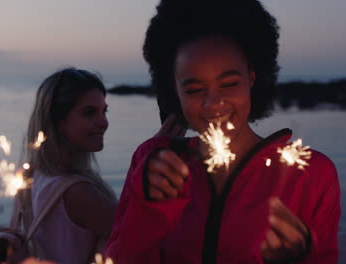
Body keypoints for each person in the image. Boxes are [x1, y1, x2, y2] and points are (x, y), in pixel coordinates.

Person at [105, 0, 340, 263]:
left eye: (229, 84)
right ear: (174, 90)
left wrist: (299, 259)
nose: (213, 103)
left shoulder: (312, 175)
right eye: (194, 89)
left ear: (252, 77)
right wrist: (148, 206)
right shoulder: (152, 163)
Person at [17, 67, 117, 264]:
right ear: (57, 122)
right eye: (89, 113)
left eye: (104, 111)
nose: (103, 122)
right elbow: (143, 238)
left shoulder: (33, 174)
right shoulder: (78, 192)